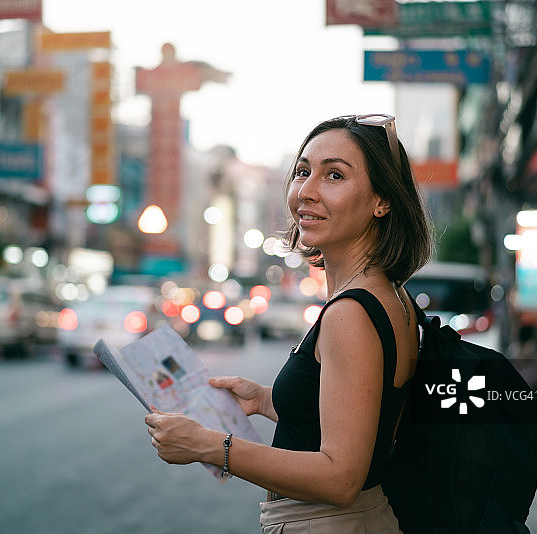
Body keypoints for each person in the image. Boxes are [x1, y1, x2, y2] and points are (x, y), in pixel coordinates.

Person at [145, 114, 433, 533]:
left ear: (381, 201)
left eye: (334, 175)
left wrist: (209, 445)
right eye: (302, 171)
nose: (306, 191)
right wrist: (264, 400)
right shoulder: (389, 294)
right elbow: (365, 418)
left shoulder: (351, 312)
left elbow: (340, 478)